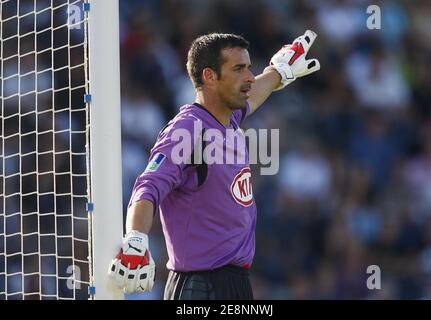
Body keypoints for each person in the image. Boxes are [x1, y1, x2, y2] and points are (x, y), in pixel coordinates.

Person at [109, 31, 320, 299]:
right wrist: (136, 238)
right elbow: (149, 185)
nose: (249, 77)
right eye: (238, 69)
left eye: (249, 68)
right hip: (200, 287)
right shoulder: (189, 129)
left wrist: (277, 71)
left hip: (234, 284)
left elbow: (254, 94)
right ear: (209, 76)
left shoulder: (227, 119)